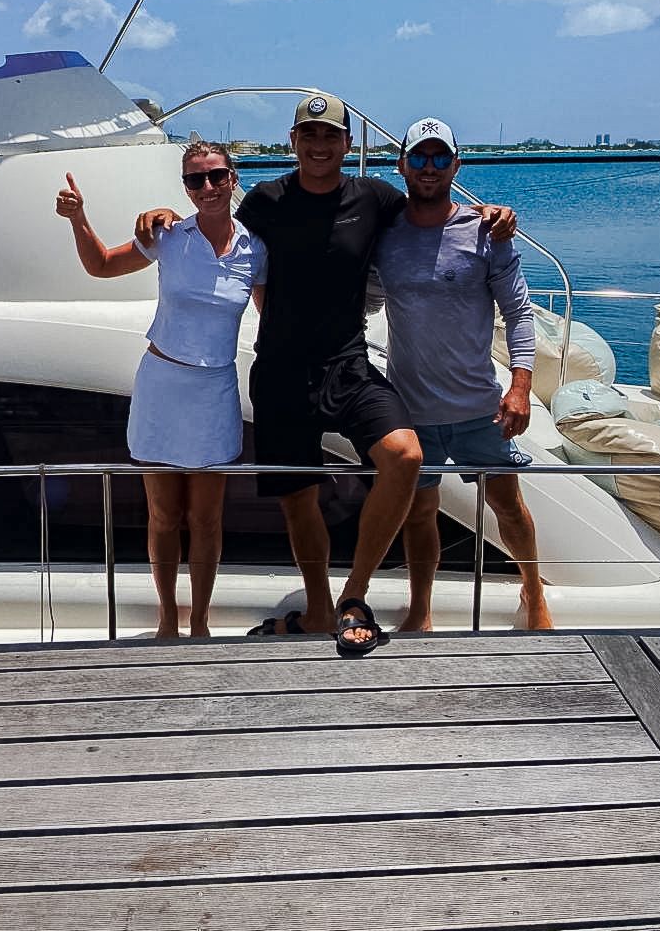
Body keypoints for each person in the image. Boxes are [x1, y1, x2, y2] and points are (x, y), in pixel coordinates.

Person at [137, 94, 516, 654]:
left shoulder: (375, 198)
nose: (319, 145)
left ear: (346, 144)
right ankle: (318, 609)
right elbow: (217, 234)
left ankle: (353, 597)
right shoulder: (265, 201)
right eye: (308, 135)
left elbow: (428, 210)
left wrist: (487, 213)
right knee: (300, 498)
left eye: (330, 136)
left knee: (405, 457)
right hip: (282, 371)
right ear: (293, 141)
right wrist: (160, 217)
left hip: (348, 363)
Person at [55, 143, 267, 638]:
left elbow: (273, 317)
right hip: (162, 385)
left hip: (214, 389)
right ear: (185, 188)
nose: (207, 188)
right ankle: (168, 621)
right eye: (195, 181)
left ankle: (201, 624)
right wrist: (78, 219)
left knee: (207, 519)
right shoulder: (168, 235)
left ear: (233, 179)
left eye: (216, 177)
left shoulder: (256, 248)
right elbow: (102, 264)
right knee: (164, 515)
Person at [369, 116, 553, 631]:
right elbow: (363, 298)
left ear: (456, 164)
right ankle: (421, 610)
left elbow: (518, 314)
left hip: (480, 407)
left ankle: (534, 592)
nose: (429, 167)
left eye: (440, 157)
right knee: (419, 513)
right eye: (420, 157)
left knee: (509, 507)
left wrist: (520, 386)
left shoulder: (487, 232)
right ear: (402, 163)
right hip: (413, 408)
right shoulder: (384, 237)